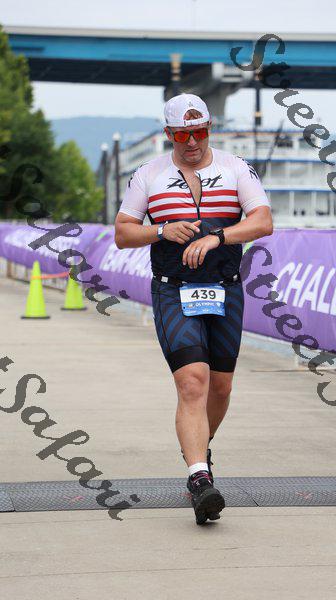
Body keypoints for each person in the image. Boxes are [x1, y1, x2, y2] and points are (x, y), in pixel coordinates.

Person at [114, 93, 273, 525]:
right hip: (173, 290)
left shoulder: (236, 168)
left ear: (209, 130)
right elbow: (123, 234)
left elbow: (263, 222)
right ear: (168, 134)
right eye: (182, 135)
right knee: (192, 382)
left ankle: (200, 450)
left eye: (199, 132)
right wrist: (161, 230)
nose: (192, 142)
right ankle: (200, 477)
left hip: (225, 288)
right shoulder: (149, 174)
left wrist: (218, 237)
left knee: (220, 387)